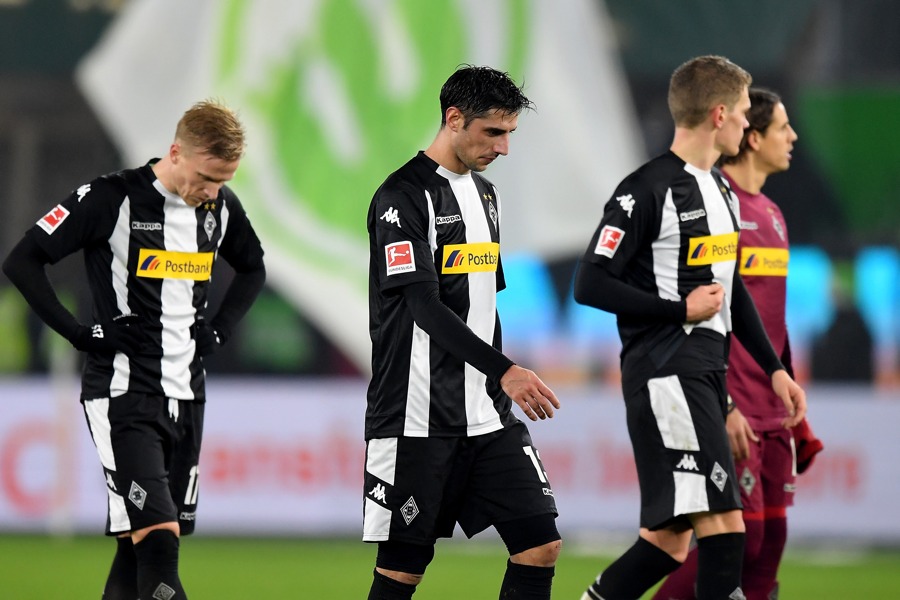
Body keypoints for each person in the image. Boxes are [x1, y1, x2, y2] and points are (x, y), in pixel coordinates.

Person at [2, 100, 266, 599]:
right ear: (175, 152)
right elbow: (23, 261)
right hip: (123, 394)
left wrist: (220, 329)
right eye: (208, 178)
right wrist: (82, 334)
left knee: (135, 545)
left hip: (187, 395)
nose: (212, 193)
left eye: (224, 181)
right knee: (160, 545)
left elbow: (253, 268)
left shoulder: (219, 207)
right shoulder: (109, 199)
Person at [573, 57, 807, 600]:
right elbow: (590, 282)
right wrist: (678, 310)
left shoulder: (721, 192)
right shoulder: (646, 190)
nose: (748, 126)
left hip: (702, 375)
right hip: (666, 377)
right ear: (720, 115)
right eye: (746, 113)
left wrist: (773, 369)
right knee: (726, 530)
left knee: (666, 542)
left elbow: (733, 292)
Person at [364, 65, 562, 600]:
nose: (504, 148)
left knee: (540, 544)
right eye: (493, 132)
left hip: (487, 415)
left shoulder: (488, 197)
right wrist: (507, 371)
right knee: (403, 570)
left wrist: (498, 379)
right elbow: (422, 305)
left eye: (510, 134)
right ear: (455, 120)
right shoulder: (400, 198)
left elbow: (481, 306)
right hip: (416, 415)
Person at [653, 89, 824, 600]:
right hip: (727, 400)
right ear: (751, 138)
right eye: (781, 128)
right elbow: (695, 311)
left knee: (770, 543)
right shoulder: (714, 206)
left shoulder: (772, 215)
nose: (793, 137)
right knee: (736, 542)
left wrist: (785, 381)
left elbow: (770, 318)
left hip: (771, 405)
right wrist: (719, 401)